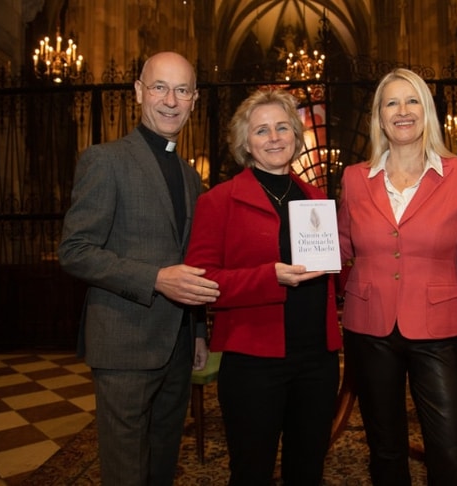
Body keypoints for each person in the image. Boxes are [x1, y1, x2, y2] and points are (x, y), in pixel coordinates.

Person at [57, 51, 220, 486]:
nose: (171, 100)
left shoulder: (189, 176)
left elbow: (194, 262)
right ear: (138, 92)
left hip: (179, 346)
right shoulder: (105, 160)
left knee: (162, 464)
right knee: (126, 471)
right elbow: (74, 249)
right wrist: (155, 278)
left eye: (182, 90)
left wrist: (198, 330)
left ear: (194, 99)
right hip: (125, 344)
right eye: (160, 87)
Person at [337, 68, 457, 485]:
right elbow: (339, 249)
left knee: (449, 447)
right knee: (384, 447)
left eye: (412, 101)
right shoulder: (355, 178)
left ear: (426, 111)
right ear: (379, 116)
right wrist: (298, 243)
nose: (402, 111)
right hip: (369, 329)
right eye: (391, 102)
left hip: (439, 329)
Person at [185, 88, 342, 486]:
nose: (274, 137)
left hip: (317, 360)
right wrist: (268, 276)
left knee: (307, 469)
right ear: (245, 143)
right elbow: (201, 281)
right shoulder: (219, 201)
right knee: (251, 472)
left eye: (282, 127)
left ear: (295, 135)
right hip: (254, 361)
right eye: (261, 130)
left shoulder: (317, 200)